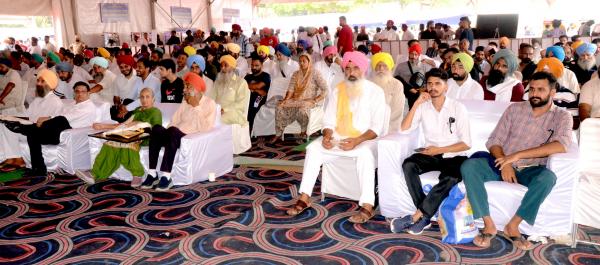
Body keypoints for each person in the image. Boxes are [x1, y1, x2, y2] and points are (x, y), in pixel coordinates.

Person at [460, 71, 572, 250]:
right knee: (470, 166)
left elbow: (561, 145)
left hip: (531, 168)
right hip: (500, 163)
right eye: (532, 89)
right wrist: (506, 162)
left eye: (541, 90)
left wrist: (517, 156)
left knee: (548, 178)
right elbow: (494, 141)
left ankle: (513, 225)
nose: (534, 94)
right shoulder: (514, 109)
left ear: (552, 92)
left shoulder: (561, 116)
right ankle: (488, 224)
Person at [286, 51, 386, 223]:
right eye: (347, 69)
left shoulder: (375, 92)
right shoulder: (338, 90)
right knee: (313, 149)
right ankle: (305, 197)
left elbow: (376, 128)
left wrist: (356, 141)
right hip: (339, 138)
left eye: (355, 68)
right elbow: (328, 121)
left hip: (366, 139)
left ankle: (367, 206)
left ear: (363, 69)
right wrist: (327, 136)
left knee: (365, 155)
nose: (351, 73)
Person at [390, 68, 471, 235]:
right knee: (409, 164)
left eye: (437, 84)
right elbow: (404, 129)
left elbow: (466, 144)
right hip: (431, 154)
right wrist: (417, 103)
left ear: (446, 87)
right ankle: (425, 217)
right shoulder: (423, 106)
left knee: (451, 177)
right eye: (430, 84)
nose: (433, 87)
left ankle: (417, 216)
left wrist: (439, 150)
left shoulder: (458, 108)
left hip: (454, 154)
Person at [141, 72, 215, 191]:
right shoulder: (185, 102)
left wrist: (196, 107)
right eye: (185, 86)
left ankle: (166, 176)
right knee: (156, 129)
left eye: (188, 87)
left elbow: (206, 127)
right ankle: (152, 173)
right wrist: (167, 131)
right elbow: (174, 121)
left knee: (174, 131)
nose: (185, 90)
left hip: (185, 137)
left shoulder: (209, 103)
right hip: (172, 135)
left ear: (197, 89)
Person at [76, 88, 162, 186]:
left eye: (147, 97)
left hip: (144, 137)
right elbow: (125, 124)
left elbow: (156, 131)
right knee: (110, 143)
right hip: (130, 133)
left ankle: (137, 175)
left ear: (153, 99)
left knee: (129, 143)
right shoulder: (138, 110)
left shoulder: (156, 112)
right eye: (142, 97)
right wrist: (103, 126)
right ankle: (94, 174)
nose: (144, 99)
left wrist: (138, 124)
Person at [19, 81, 96, 176]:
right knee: (32, 134)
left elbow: (68, 117)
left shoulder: (89, 106)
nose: (80, 94)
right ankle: (38, 168)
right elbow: (60, 114)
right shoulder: (73, 104)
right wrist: (48, 118)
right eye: (77, 91)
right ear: (74, 93)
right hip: (58, 129)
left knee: (58, 120)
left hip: (66, 131)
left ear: (88, 93)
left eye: (83, 92)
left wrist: (47, 118)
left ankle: (25, 128)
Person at [0, 69, 63, 172]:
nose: (38, 84)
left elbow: (53, 123)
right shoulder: (37, 99)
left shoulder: (55, 102)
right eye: (38, 81)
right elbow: (27, 116)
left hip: (38, 132)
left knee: (10, 129)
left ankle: (18, 160)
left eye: (42, 81)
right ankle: (11, 158)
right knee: (4, 124)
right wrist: (11, 118)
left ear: (50, 84)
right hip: (28, 127)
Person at [270, 53, 327, 143]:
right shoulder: (296, 74)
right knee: (279, 105)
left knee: (302, 109)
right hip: (296, 100)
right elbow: (291, 89)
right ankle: (278, 133)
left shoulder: (315, 73)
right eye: (300, 61)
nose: (301, 63)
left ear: (309, 62)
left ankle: (303, 131)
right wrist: (286, 100)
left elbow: (325, 89)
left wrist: (315, 100)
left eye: (304, 61)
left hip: (308, 101)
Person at [207, 55, 250, 129]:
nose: (222, 68)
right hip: (217, 111)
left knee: (214, 121)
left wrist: (224, 109)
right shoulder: (218, 82)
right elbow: (211, 98)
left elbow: (241, 104)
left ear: (233, 67)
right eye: (221, 66)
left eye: (226, 65)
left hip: (234, 113)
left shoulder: (241, 82)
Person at [369, 52, 406, 132]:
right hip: (369, 127)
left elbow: (397, 112)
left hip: (390, 128)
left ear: (390, 68)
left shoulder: (397, 85)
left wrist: (383, 128)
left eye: (385, 66)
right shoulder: (368, 84)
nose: (381, 69)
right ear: (374, 68)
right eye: (378, 65)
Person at [110, 55, 140, 122]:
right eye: (121, 67)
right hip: (122, 106)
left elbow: (141, 99)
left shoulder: (139, 77)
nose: (124, 69)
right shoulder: (117, 79)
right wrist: (119, 107)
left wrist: (128, 108)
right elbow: (116, 98)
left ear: (131, 65)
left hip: (136, 107)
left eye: (126, 66)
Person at [245, 56, 271, 132]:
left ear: (262, 66)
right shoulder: (248, 76)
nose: (254, 67)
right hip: (248, 96)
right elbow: (242, 86)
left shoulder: (265, 76)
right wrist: (257, 90)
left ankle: (251, 132)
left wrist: (253, 89)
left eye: (256, 65)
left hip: (260, 98)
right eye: (252, 65)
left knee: (252, 108)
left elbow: (258, 86)